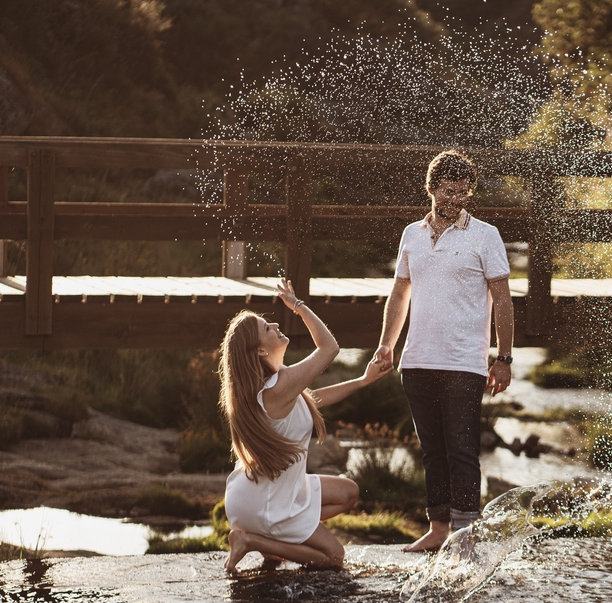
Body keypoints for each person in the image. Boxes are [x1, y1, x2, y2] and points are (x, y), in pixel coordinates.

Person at [374, 150, 515, 552]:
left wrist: (503, 358)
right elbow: (400, 293)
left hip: (464, 362)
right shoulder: (411, 234)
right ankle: (438, 530)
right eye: (449, 192)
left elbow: (503, 300)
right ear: (432, 188)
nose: (456, 200)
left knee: (462, 450)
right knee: (432, 451)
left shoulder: (485, 236)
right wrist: (386, 345)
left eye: (464, 193)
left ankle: (466, 537)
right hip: (416, 359)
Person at [221, 278, 392, 574]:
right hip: (266, 502)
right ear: (260, 351)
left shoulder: (274, 386)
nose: (275, 327)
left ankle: (272, 536)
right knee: (333, 558)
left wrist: (364, 381)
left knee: (348, 492)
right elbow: (329, 348)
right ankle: (251, 540)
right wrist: (297, 305)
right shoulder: (279, 386)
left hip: (267, 492)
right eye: (267, 328)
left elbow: (314, 399)